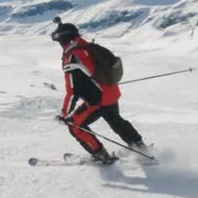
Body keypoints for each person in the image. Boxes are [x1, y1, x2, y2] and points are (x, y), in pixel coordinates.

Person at [52, 20, 147, 164]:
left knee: (75, 126)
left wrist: (65, 114)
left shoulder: (72, 57)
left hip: (97, 99)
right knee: (115, 120)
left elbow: (72, 91)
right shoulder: (88, 47)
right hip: (112, 93)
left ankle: (101, 155)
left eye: (58, 39)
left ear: (63, 39)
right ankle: (140, 147)